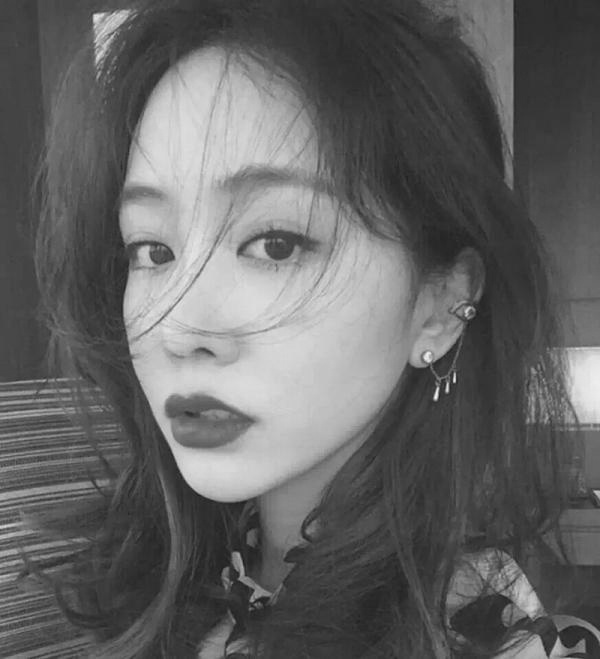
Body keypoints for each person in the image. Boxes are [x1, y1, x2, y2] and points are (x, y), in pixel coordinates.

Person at [24, 0, 600, 656]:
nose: (177, 328)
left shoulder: (476, 631)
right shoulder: (170, 578)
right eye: (152, 249)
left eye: (276, 243)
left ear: (441, 303)